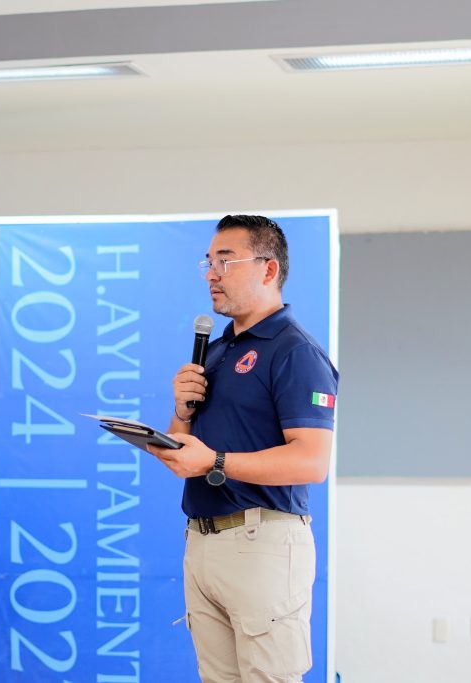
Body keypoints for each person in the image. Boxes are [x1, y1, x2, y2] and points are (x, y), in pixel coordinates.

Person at [148, 215, 339, 683]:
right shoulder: (214, 352)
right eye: (208, 263)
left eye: (226, 262)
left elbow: (311, 461)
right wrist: (181, 412)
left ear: (268, 269)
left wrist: (214, 461)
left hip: (262, 542)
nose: (211, 275)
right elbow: (182, 453)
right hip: (203, 539)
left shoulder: (295, 352)